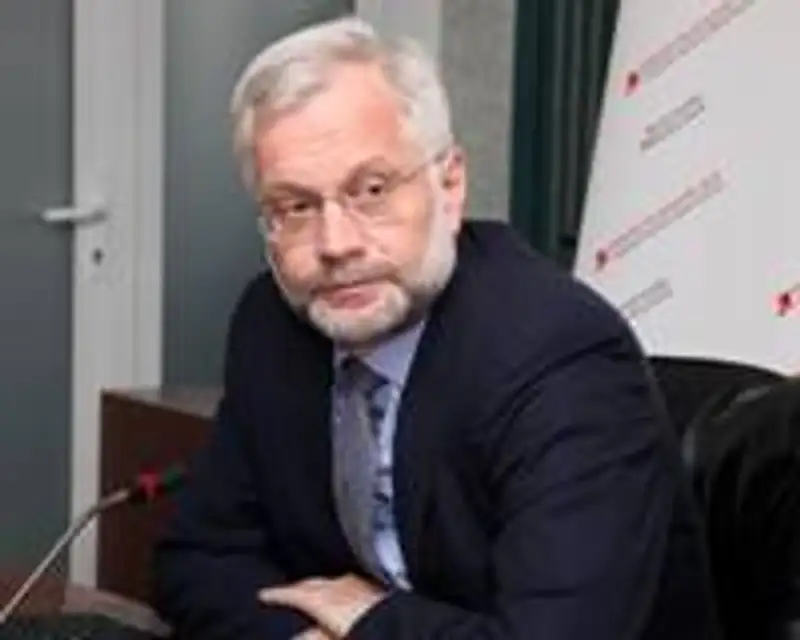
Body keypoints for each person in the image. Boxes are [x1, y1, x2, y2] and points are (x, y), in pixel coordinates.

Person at [152, 16, 718, 640]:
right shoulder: (274, 326)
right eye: (296, 207)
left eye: (371, 190)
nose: (335, 244)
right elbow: (197, 561)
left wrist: (371, 622)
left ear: (449, 187)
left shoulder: (558, 355)